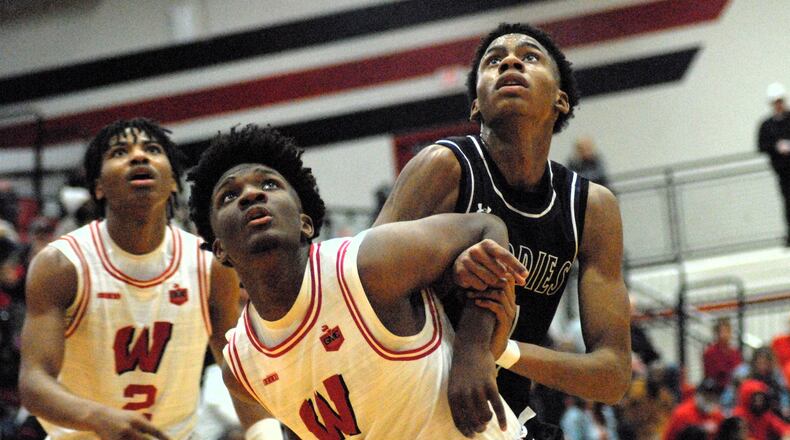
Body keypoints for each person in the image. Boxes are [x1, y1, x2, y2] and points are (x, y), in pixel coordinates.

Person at [187, 124, 529, 439]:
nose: (251, 195)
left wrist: (474, 348)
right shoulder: (242, 366)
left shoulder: (365, 265)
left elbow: (487, 227)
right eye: (229, 196)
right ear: (220, 250)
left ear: (305, 224)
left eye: (268, 184)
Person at [374, 22, 631, 432]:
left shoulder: (591, 207)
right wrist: (446, 279)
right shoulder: (443, 167)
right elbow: (360, 288)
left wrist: (502, 352)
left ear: (561, 99)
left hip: (505, 411)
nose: (510, 61)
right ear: (476, 104)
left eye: (530, 57)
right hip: (412, 402)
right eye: (493, 61)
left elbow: (613, 376)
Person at [18, 118, 243, 439]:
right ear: (98, 186)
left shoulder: (210, 265)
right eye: (120, 152)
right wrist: (97, 417)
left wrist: (263, 432)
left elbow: (238, 370)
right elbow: (33, 383)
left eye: (152, 149)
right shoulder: (61, 264)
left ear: (174, 183)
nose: (139, 157)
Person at [757, 82, 790, 246]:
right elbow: (761, 145)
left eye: (780, 101)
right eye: (775, 102)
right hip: (783, 171)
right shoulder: (767, 125)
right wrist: (777, 147)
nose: (779, 105)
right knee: (788, 202)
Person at [703, 318, 742, 391]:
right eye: (721, 332)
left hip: (734, 384)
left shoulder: (735, 351)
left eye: (727, 332)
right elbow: (711, 374)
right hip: (718, 386)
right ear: (716, 334)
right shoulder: (709, 352)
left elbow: (739, 370)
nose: (724, 335)